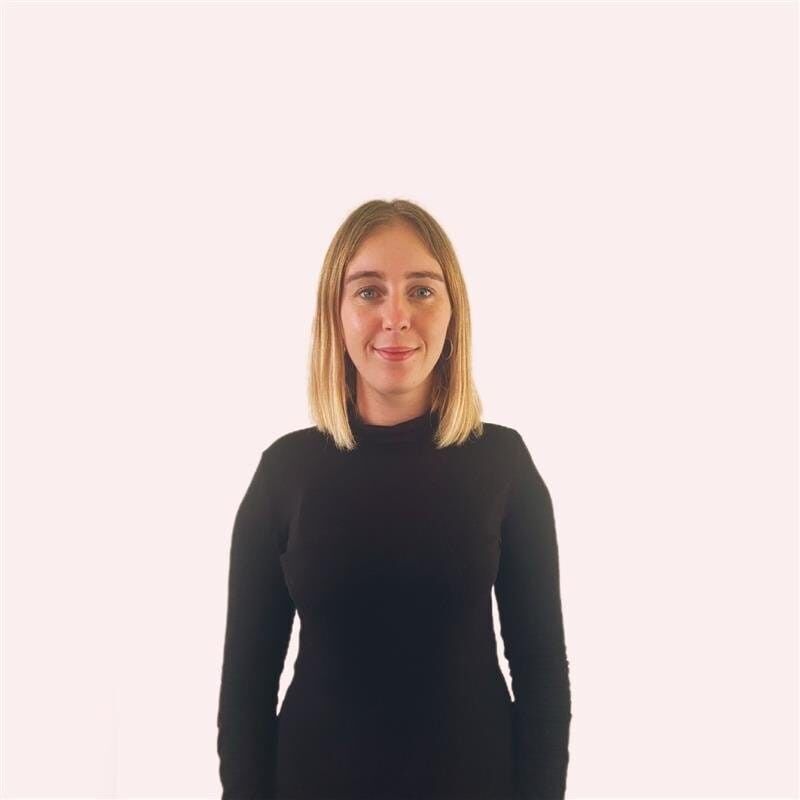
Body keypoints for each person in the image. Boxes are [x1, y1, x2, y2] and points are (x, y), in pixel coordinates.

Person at [216, 199, 572, 800]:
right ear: (336, 314)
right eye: (369, 292)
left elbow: (541, 678)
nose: (396, 317)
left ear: (453, 310)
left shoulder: (504, 463)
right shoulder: (284, 472)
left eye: (422, 291)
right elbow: (245, 695)